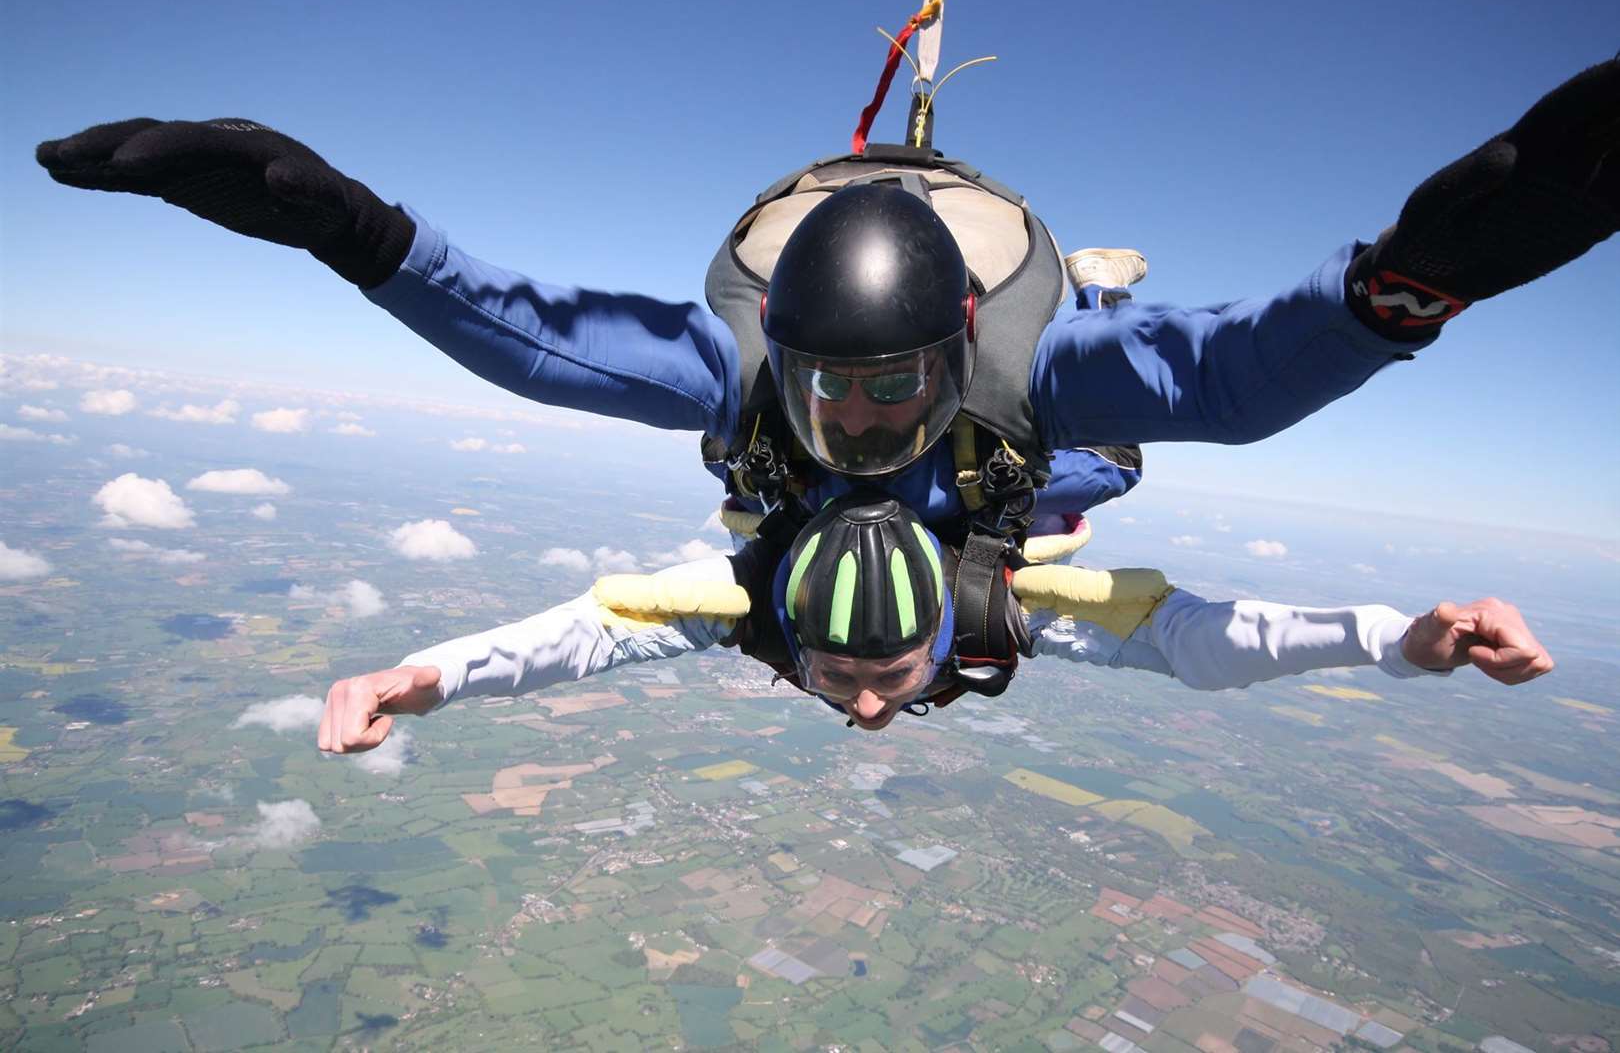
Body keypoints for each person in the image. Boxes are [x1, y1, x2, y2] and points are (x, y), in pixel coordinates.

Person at [36, 61, 1619, 538]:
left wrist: (1414, 276)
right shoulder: (748, 373)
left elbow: (1222, 375)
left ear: (947, 357)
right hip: (1008, 424)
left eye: (885, 390)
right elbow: (527, 332)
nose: (855, 419)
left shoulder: (1032, 375)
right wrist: (341, 221)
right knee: (1081, 473)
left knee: (1096, 457)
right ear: (782, 359)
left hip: (1028, 395)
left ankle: (1111, 285)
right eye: (828, 391)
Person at [315, 494, 1554, 747]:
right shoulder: (752, 603)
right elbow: (582, 631)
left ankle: (1099, 313)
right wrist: (418, 678)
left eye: (890, 672)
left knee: (1094, 476)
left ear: (940, 632)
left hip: (1001, 525)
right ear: (790, 630)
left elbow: (1200, 639)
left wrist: (1400, 638)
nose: (864, 703)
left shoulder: (1002, 603)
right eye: (838, 671)